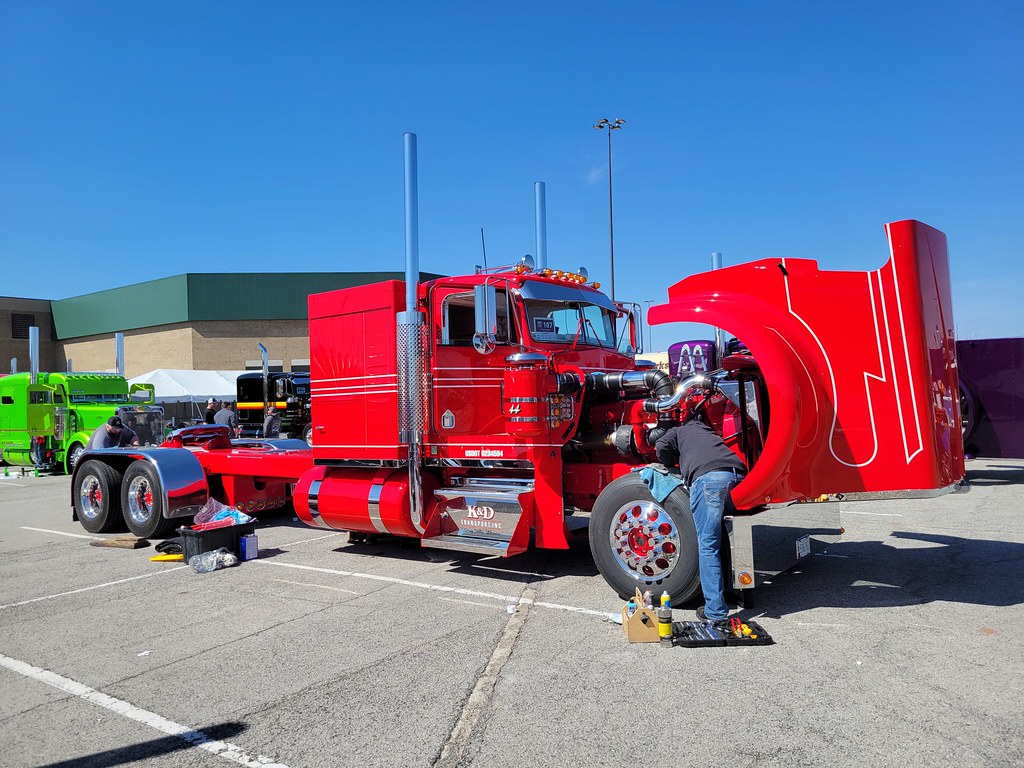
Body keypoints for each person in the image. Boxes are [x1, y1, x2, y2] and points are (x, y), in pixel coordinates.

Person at [655, 417, 747, 622]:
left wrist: (671, 464)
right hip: (739, 478)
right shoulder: (710, 434)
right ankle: (732, 593)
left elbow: (660, 446)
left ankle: (715, 611)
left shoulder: (679, 431)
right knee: (723, 537)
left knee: (708, 545)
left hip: (709, 481)